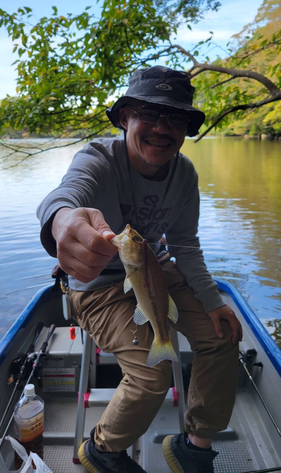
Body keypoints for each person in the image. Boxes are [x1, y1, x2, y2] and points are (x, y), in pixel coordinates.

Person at [37, 66, 242, 473]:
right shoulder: (98, 158)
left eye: (176, 117)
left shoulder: (184, 174)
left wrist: (212, 300)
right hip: (95, 288)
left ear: (185, 128)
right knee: (154, 374)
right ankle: (102, 449)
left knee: (223, 335)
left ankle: (195, 446)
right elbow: (66, 194)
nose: (162, 128)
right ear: (125, 117)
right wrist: (60, 221)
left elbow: (184, 244)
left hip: (155, 271)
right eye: (149, 113)